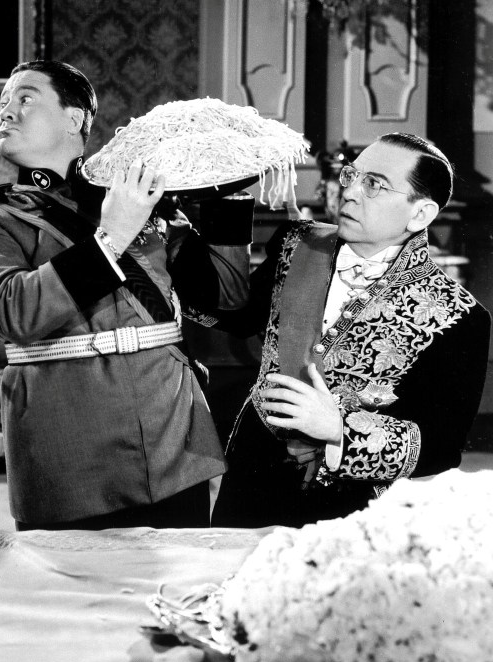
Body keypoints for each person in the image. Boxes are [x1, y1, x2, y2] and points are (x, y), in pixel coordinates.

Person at [0, 60, 254, 530]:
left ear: (74, 118)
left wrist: (223, 197)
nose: (6, 112)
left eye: (25, 99)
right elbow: (16, 311)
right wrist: (112, 236)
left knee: (180, 568)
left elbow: (225, 298)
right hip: (71, 439)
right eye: (3, 103)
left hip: (169, 432)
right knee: (73, 575)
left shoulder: (133, 197)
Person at [209, 132, 491, 528]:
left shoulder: (458, 315)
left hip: (352, 515)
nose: (351, 192)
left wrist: (338, 430)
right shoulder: (297, 244)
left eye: (374, 184)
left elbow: (442, 447)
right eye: (351, 176)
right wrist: (214, 202)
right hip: (249, 482)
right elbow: (233, 315)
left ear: (420, 214)